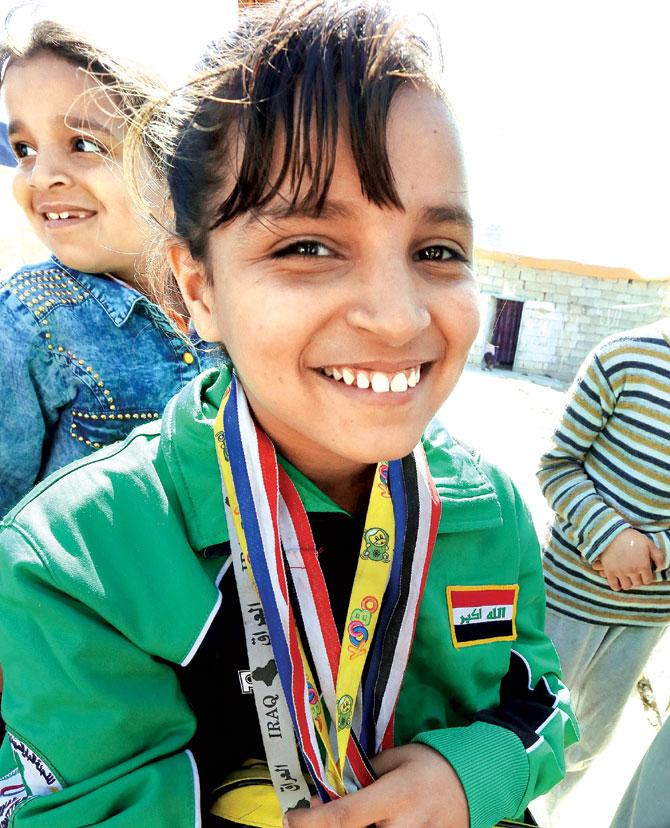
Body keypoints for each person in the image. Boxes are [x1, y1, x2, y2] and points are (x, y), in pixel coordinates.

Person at [0, 3, 577, 826]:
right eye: (308, 247)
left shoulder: (489, 509)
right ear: (199, 289)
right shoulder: (75, 560)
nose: (399, 317)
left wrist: (473, 773)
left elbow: (541, 696)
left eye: (437, 251)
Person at [0, 19, 213, 518]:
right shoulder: (28, 321)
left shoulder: (234, 297)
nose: (42, 176)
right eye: (25, 150)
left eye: (84, 144)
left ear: (172, 155)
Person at [536, 320, 670, 821]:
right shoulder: (624, 358)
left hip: (648, 615)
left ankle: (545, 815)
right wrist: (610, 536)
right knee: (528, 720)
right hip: (567, 596)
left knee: (588, 741)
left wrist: (655, 551)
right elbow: (556, 465)